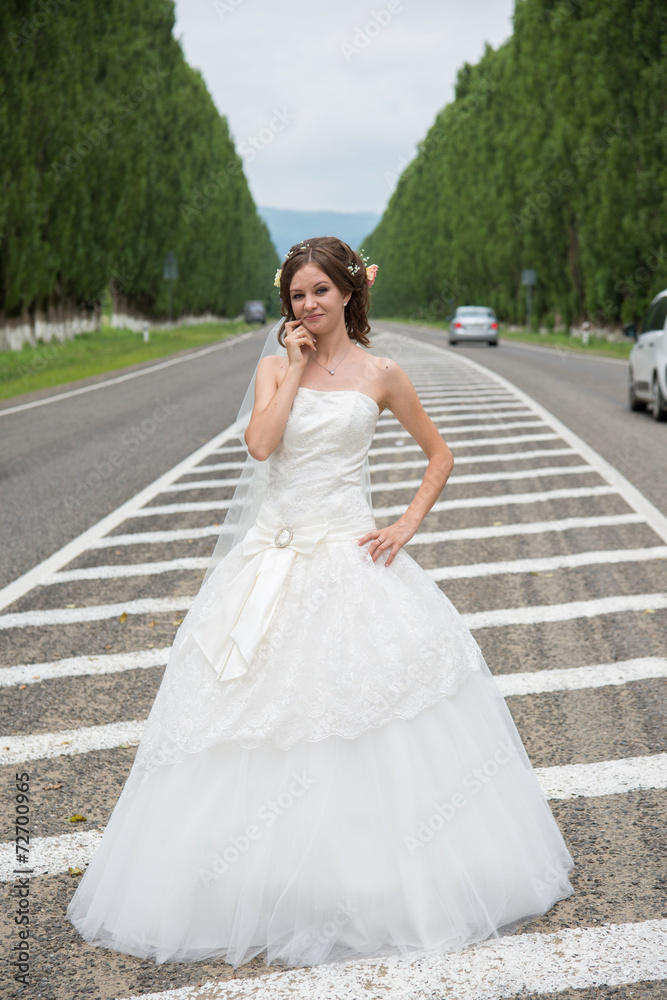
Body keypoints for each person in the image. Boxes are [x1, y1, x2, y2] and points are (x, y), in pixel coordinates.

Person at [67, 236, 574, 969]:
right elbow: (261, 447)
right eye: (297, 295)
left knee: (360, 719)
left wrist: (403, 524)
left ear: (348, 295)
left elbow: (440, 456)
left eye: (320, 292)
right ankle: (267, 881)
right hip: (270, 563)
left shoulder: (382, 373)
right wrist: (296, 366)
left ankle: (367, 879)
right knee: (257, 720)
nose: (308, 304)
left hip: (351, 559)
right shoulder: (276, 366)